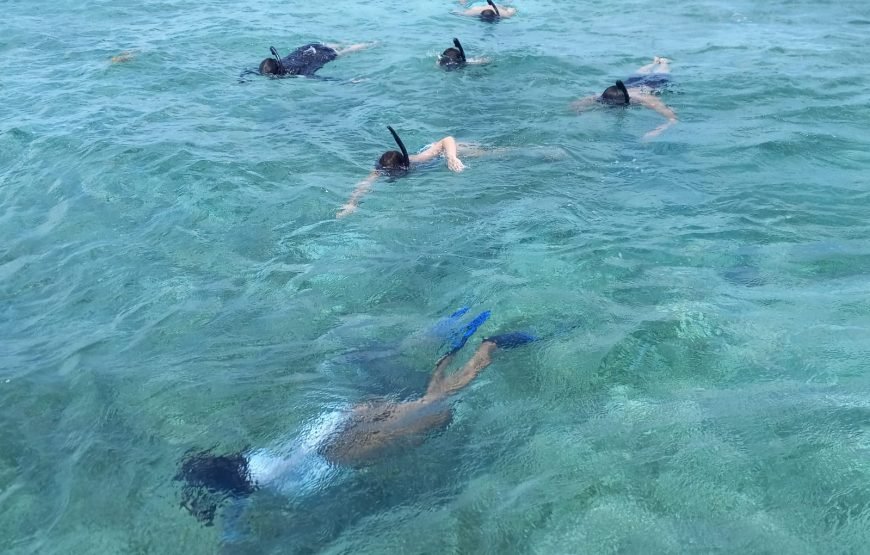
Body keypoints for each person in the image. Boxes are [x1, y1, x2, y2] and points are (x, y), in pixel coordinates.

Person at [174, 309, 537, 525]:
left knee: (437, 408)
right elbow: (288, 461)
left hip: (337, 453)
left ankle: (488, 347)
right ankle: (450, 350)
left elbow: (283, 478)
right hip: (329, 429)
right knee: (431, 404)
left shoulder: (251, 488)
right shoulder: (247, 463)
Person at [336, 126, 469, 218]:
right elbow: (364, 185)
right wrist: (351, 203)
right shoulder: (381, 169)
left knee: (484, 152)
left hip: (448, 151)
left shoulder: (417, 160)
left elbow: (448, 140)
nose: (389, 177)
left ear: (402, 167)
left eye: (392, 173)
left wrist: (452, 157)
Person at [572, 57, 678, 139]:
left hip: (651, 86)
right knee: (638, 74)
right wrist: (578, 112)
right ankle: (654, 62)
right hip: (631, 84)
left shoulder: (646, 99)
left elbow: (672, 119)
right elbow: (577, 103)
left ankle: (663, 62)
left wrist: (656, 131)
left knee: (661, 74)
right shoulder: (605, 95)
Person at [257, 42, 373, 77]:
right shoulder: (278, 64)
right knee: (340, 45)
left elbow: (319, 78)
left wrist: (347, 82)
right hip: (309, 48)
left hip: (318, 56)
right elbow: (248, 70)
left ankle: (371, 44)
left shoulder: (291, 72)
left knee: (344, 52)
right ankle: (360, 42)